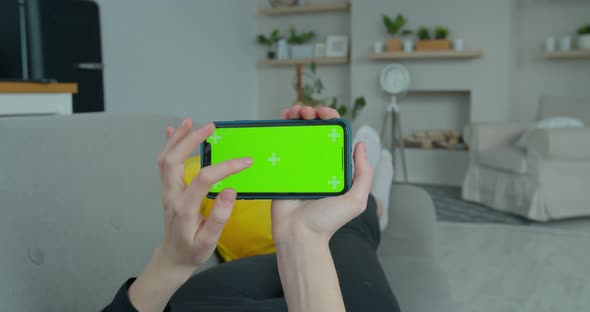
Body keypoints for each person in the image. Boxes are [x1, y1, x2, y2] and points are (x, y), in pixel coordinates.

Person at [102, 105, 400, 312]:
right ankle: (375, 201)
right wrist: (302, 239)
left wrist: (173, 260)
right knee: (351, 227)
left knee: (336, 242)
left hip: (180, 302)